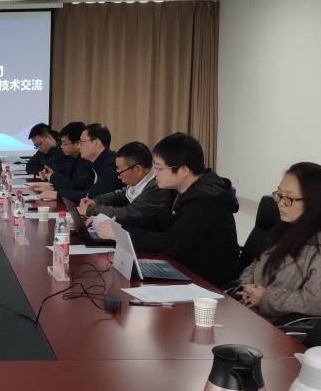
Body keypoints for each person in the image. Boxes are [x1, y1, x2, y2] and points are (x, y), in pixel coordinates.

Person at [94, 133, 240, 287]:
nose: (155, 174)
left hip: (206, 282)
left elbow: (174, 243)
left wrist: (121, 233)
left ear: (183, 170)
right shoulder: (178, 189)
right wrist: (118, 226)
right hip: (181, 266)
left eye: (159, 168)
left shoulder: (205, 201)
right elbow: (156, 221)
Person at [237, 162, 321, 320]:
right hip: (253, 313)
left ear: (313, 202)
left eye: (289, 198)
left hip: (279, 326)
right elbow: (257, 263)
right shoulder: (288, 227)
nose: (280, 203)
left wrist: (265, 297)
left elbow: (320, 301)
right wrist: (247, 287)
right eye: (279, 194)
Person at [80, 141, 174, 228]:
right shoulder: (140, 181)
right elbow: (120, 195)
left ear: (138, 169)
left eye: (121, 171)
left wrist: (91, 210)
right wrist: (95, 201)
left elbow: (129, 213)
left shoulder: (157, 187)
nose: (118, 175)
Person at [30, 123, 121, 203]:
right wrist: (54, 189)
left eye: (82, 142)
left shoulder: (112, 166)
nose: (79, 146)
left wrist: (57, 194)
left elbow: (93, 195)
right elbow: (84, 189)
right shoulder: (95, 163)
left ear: (96, 143)